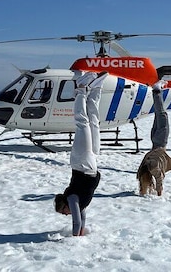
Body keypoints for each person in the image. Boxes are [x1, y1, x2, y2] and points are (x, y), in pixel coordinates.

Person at [54, 71, 108, 236]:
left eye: (64, 212)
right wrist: (81, 234)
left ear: (64, 205)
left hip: (81, 162)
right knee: (94, 123)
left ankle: (81, 89)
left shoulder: (72, 199)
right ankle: (96, 89)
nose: (66, 214)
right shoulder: (80, 204)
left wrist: (75, 240)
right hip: (90, 163)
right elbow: (82, 221)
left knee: (82, 123)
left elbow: (76, 222)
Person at [137, 80, 171, 196]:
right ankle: (157, 92)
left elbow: (159, 177)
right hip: (155, 140)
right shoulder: (145, 167)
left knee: (162, 115)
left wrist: (159, 191)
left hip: (160, 141)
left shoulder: (153, 166)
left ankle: (156, 90)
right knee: (158, 114)